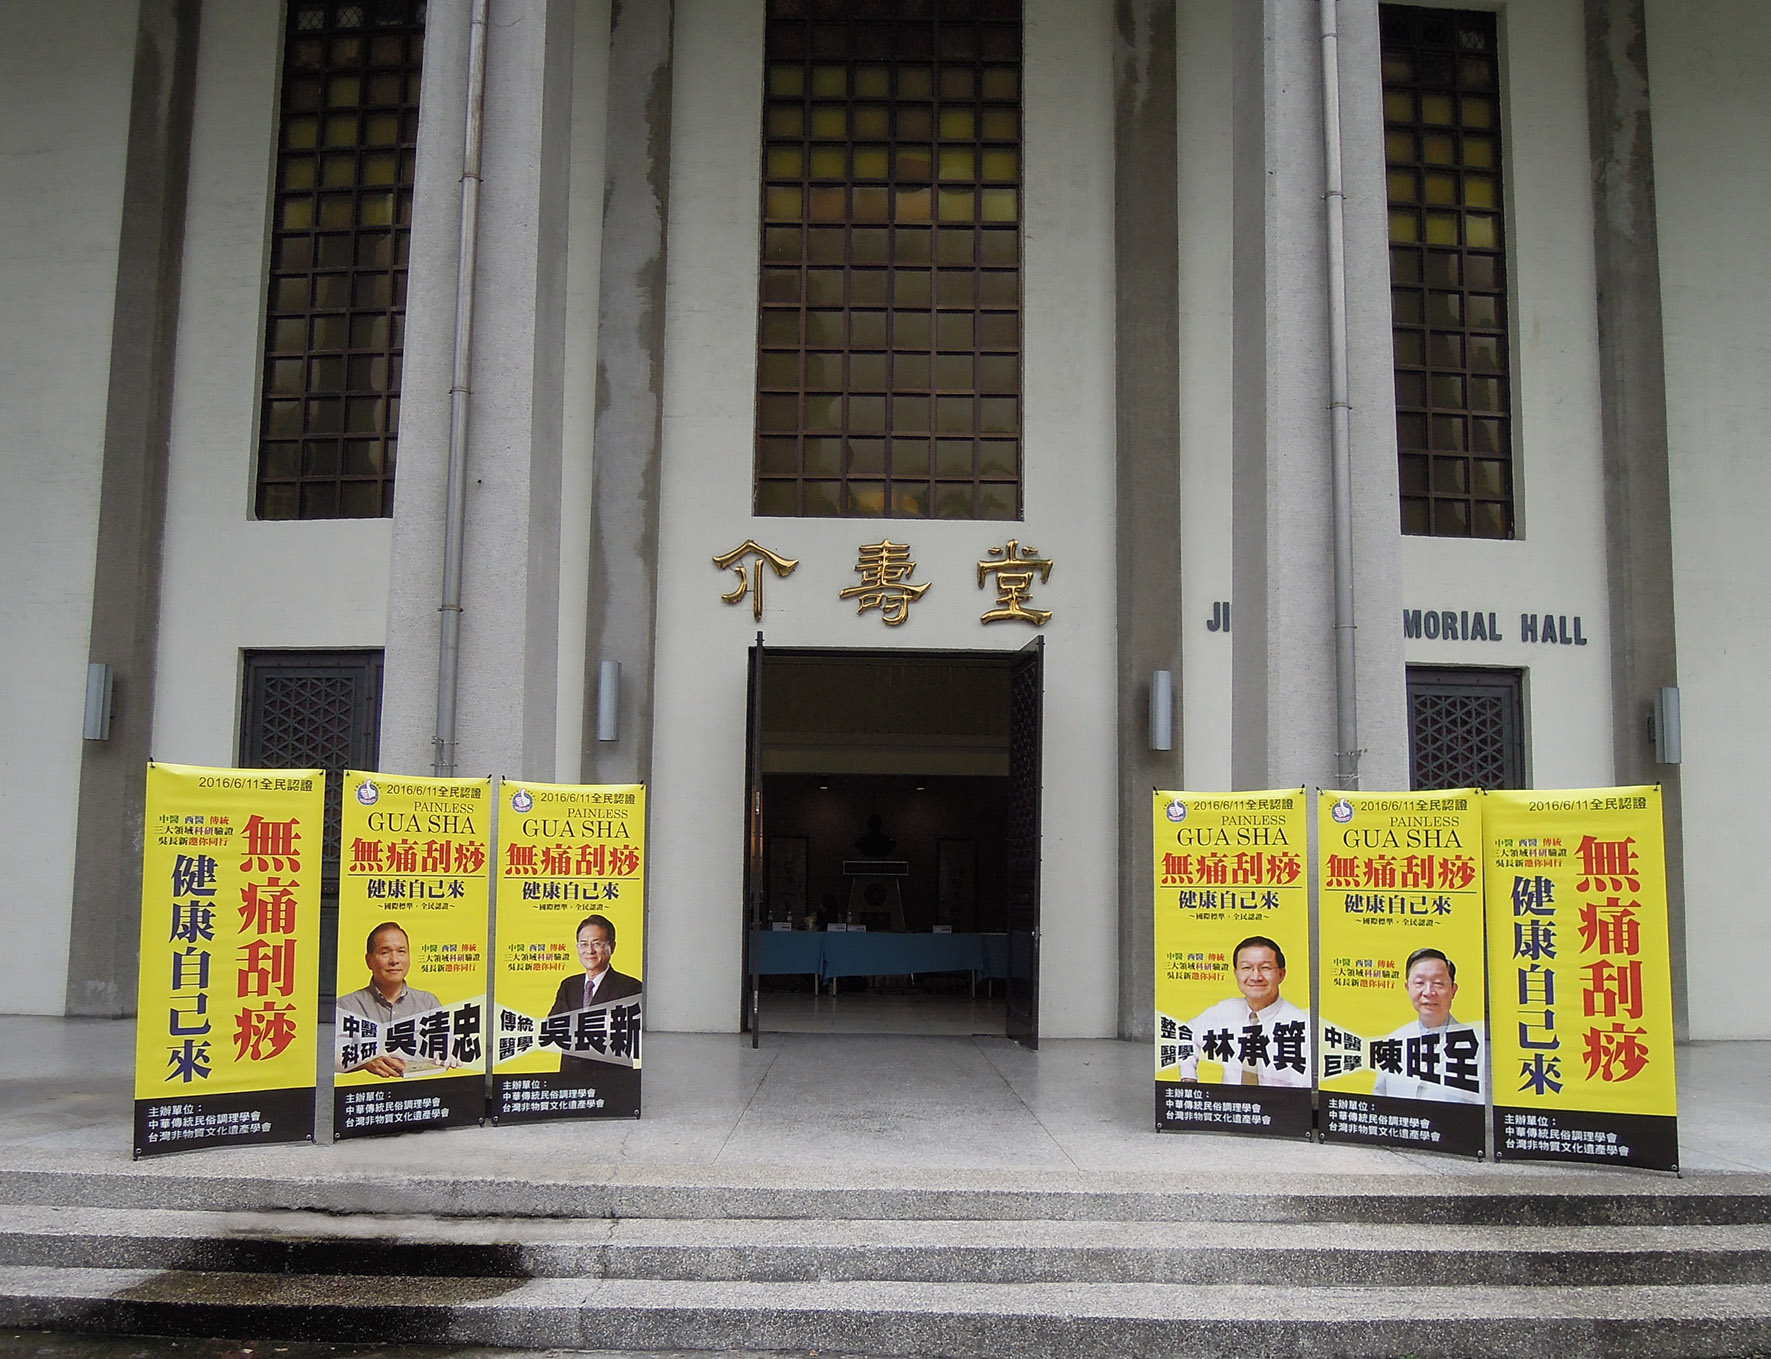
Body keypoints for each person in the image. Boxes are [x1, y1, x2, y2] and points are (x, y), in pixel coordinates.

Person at [1176, 935, 1311, 1087]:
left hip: (1280, 1102)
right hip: (1229, 1102)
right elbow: (1188, 1032)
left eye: (1265, 968)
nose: (1255, 977)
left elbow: (1303, 1091)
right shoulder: (1225, 1011)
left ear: (1281, 974)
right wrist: (1188, 1078)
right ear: (1236, 973)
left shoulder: (1302, 1025)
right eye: (1246, 968)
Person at [1371, 947, 1484, 1104]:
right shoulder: (1394, 1040)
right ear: (1408, 988)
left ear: (1453, 990)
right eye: (1419, 983)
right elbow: (1380, 1101)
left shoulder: (1480, 1046)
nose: (1429, 992)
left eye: (1438, 983)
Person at [335, 920, 441, 1077]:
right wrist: (365, 1061)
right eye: (385, 952)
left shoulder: (428, 1002)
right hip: (367, 1090)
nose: (394, 960)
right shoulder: (346, 1006)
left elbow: (447, 1045)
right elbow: (332, 1056)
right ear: (369, 960)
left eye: (401, 951)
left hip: (422, 1088)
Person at [549, 913, 643, 1075]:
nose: (589, 950)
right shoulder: (568, 985)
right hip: (569, 1077)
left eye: (597, 943)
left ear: (612, 947)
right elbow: (552, 1027)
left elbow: (624, 1034)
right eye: (583, 944)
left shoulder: (630, 988)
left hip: (610, 1078)